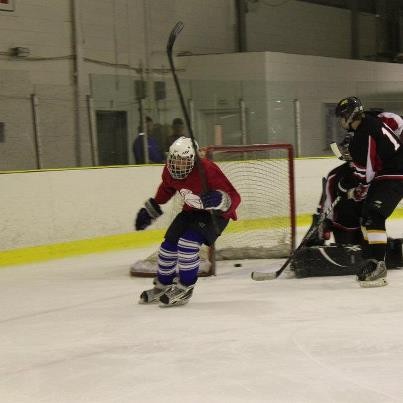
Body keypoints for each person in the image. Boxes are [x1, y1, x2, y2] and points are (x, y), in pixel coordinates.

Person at [134, 136, 241, 306]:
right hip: (190, 211)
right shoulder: (169, 171)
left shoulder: (208, 170)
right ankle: (163, 285)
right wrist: (151, 208)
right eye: (175, 160)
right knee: (168, 247)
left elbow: (235, 198)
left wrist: (220, 199)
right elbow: (166, 188)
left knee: (187, 245)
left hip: (214, 216)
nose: (178, 165)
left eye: (183, 161)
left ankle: (185, 287)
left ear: (192, 160)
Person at [331, 96, 403, 287]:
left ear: (349, 115)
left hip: (395, 173)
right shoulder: (371, 122)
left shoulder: (364, 133)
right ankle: (371, 262)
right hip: (388, 173)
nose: (340, 121)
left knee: (374, 216)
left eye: (341, 117)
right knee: (366, 218)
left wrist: (356, 189)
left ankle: (378, 265)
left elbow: (367, 171)